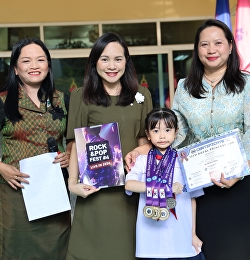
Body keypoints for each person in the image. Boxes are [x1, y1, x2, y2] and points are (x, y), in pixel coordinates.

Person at [125, 19, 250, 260]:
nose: (211, 50)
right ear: (197, 49)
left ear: (230, 47)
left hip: (238, 181)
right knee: (203, 248)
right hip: (198, 183)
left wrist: (240, 171)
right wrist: (145, 149)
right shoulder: (185, 87)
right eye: (204, 44)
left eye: (218, 43)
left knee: (238, 251)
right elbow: (176, 130)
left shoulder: (247, 84)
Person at [0, 38, 71, 259]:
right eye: (26, 61)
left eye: (40, 60)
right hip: (18, 188)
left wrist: (69, 154)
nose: (34, 66)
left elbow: (72, 137)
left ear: (48, 65)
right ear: (16, 69)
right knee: (18, 249)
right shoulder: (2, 102)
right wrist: (1, 167)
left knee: (58, 248)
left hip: (53, 188)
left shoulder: (62, 100)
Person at [66, 32, 153, 260]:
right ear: (95, 62)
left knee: (129, 251)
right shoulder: (81, 97)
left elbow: (146, 140)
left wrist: (138, 152)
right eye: (104, 59)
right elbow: (76, 143)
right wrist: (72, 183)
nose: (112, 66)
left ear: (127, 61)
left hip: (131, 189)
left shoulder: (141, 95)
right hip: (96, 192)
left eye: (118, 59)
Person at [125, 108, 206, 260]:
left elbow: (192, 199)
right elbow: (129, 185)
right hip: (149, 236)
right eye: (155, 130)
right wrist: (164, 188)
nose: (162, 135)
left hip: (180, 232)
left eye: (168, 130)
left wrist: (193, 233)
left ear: (176, 132)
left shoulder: (185, 160)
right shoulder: (142, 160)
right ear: (148, 134)